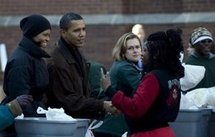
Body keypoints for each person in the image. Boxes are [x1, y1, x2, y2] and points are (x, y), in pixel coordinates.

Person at [102, 29, 184, 137]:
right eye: (131, 48)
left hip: (148, 133)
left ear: (155, 54)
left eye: (144, 50)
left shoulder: (153, 77)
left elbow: (135, 107)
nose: (141, 54)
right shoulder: (172, 75)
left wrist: (109, 89)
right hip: (165, 131)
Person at [45, 12, 117, 119]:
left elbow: (82, 93)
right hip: (63, 124)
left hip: (76, 121)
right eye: (76, 30)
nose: (82, 34)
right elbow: (69, 101)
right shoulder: (57, 62)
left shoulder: (75, 53)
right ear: (63, 33)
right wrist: (101, 105)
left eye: (84, 29)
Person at [93, 32, 144, 137]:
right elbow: (143, 91)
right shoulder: (125, 68)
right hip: (113, 126)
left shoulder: (126, 65)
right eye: (130, 48)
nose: (135, 51)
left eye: (137, 47)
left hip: (110, 125)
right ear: (123, 51)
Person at [2, 14, 51, 117]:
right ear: (33, 34)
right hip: (24, 123)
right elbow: (22, 100)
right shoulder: (20, 62)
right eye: (45, 35)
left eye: (49, 35)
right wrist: (38, 120)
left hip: (37, 115)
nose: (48, 39)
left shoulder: (37, 57)